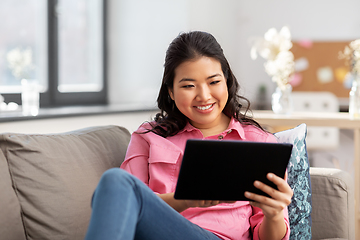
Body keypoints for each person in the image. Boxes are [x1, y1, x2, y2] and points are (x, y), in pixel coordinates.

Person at [85, 31, 292, 240]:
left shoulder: (259, 142)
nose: (204, 96)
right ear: (171, 92)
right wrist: (185, 200)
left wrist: (273, 214)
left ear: (226, 82)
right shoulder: (148, 137)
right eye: (188, 86)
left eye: (213, 82)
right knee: (116, 182)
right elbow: (129, 205)